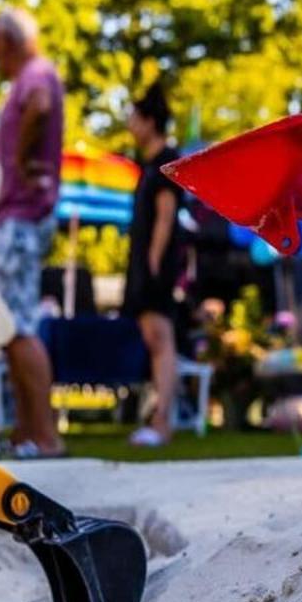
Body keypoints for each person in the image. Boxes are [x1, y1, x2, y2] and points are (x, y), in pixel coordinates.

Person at [0, 7, 65, 458]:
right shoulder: (33, 75)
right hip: (14, 216)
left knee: (17, 326)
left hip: (20, 216)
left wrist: (18, 159)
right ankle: (27, 433)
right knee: (8, 325)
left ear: (11, 41)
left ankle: (46, 436)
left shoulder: (36, 74)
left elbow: (40, 106)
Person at [121, 80, 186, 446]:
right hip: (145, 265)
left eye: (134, 117)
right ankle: (158, 418)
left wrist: (153, 265)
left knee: (161, 339)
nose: (130, 125)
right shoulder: (147, 165)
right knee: (153, 337)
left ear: (149, 121)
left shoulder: (165, 165)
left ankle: (162, 422)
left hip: (155, 266)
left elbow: (165, 217)